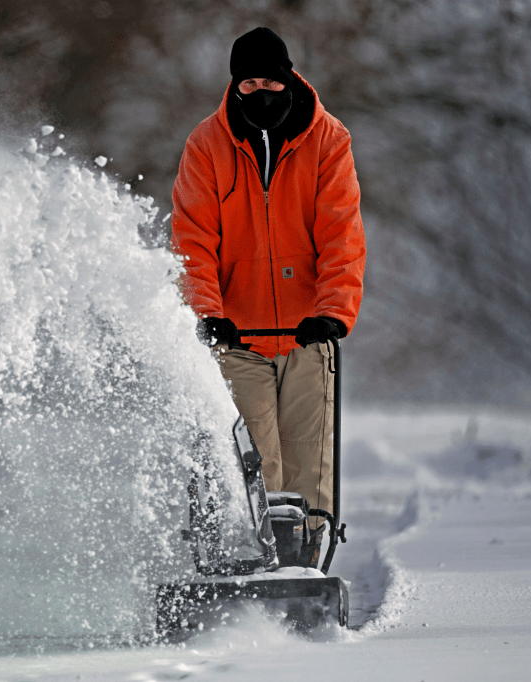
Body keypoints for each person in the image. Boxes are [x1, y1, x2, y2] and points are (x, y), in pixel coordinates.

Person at [171, 27, 366, 557]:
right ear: (235, 86)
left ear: (289, 79)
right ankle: (254, 556)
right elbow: (193, 244)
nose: (261, 93)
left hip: (307, 332)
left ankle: (304, 557)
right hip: (239, 336)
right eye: (249, 83)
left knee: (306, 458)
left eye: (271, 83)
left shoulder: (328, 141)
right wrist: (207, 314)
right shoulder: (206, 146)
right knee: (254, 458)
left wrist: (333, 312)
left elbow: (341, 237)